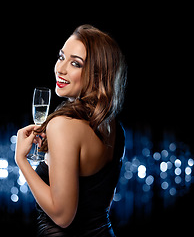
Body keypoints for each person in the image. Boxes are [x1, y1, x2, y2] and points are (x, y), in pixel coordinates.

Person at [15, 25, 127, 236]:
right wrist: (58, 152)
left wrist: (21, 160)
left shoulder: (63, 125)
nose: (61, 69)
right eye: (61, 57)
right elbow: (102, 200)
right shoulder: (114, 127)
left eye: (75, 63)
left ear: (97, 74)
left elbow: (63, 216)